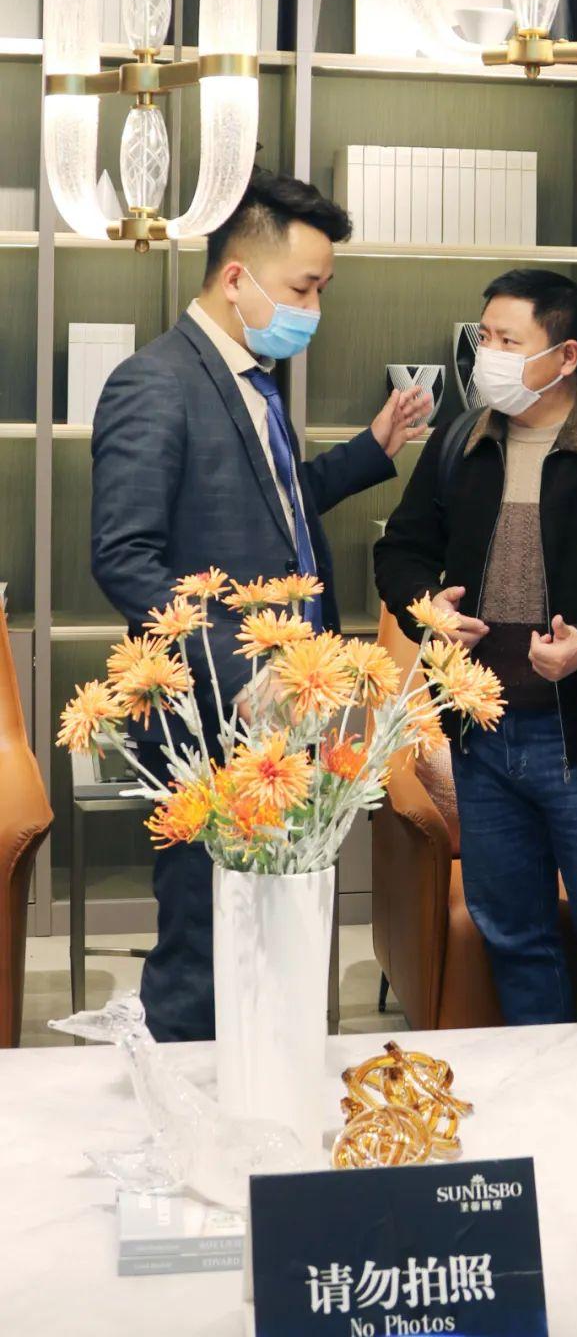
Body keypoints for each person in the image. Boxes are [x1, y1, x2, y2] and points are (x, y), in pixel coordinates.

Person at [91, 168, 428, 1042]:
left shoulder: (250, 377)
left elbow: (271, 508)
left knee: (270, 938)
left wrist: (371, 449)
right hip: (217, 713)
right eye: (302, 288)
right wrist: (239, 674)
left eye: (322, 290)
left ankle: (261, 1093)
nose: (313, 308)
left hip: (283, 713)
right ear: (236, 277)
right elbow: (124, 557)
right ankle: (187, 1104)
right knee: (205, 939)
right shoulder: (154, 382)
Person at [374, 268, 577, 1089]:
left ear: (565, 356)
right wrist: (426, 608)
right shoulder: (462, 441)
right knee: (515, 939)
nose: (488, 354)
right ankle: (547, 1110)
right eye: (484, 337)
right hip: (482, 739)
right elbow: (400, 549)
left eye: (508, 341)